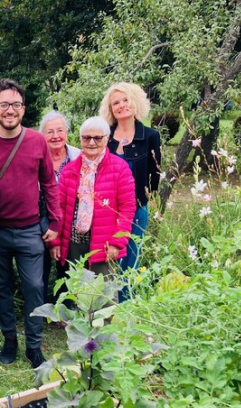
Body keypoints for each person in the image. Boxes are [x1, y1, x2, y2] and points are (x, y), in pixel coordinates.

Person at [0, 79, 60, 368]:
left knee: (35, 286)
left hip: (30, 229)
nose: (10, 110)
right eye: (4, 105)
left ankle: (34, 345)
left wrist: (55, 222)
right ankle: (10, 339)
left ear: (24, 108)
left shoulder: (37, 141)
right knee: (2, 288)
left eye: (16, 104)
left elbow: (49, 183)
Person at [49, 116, 136, 302]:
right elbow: (59, 209)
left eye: (97, 138)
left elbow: (127, 209)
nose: (91, 142)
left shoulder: (119, 168)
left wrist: (116, 242)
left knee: (102, 296)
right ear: (80, 139)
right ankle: (80, 330)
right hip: (74, 242)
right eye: (86, 137)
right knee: (76, 290)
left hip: (103, 244)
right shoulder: (70, 169)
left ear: (107, 139)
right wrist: (55, 241)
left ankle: (103, 331)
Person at [98, 82, 161, 301]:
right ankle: (103, 303)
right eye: (116, 102)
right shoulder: (104, 137)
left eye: (126, 100)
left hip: (136, 209)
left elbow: (155, 175)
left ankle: (125, 304)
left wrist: (142, 198)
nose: (122, 105)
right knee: (105, 257)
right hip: (105, 210)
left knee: (130, 257)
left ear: (135, 102)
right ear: (110, 109)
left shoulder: (150, 136)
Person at [38, 111, 80, 303]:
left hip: (70, 216)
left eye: (60, 130)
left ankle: (64, 307)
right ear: (42, 135)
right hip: (40, 216)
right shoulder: (37, 156)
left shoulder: (78, 157)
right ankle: (41, 307)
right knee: (40, 264)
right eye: (50, 132)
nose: (55, 136)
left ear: (67, 132)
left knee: (68, 265)